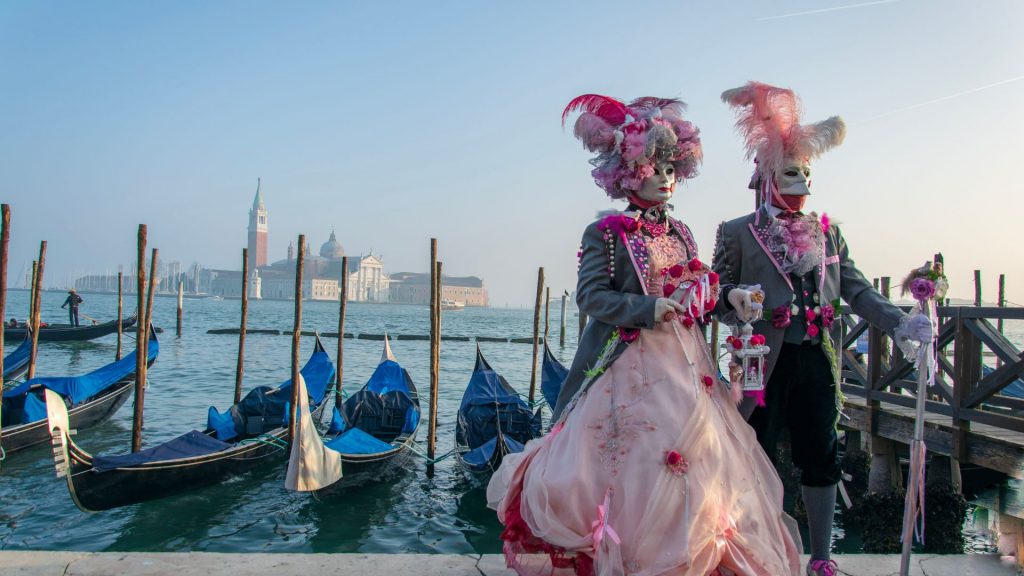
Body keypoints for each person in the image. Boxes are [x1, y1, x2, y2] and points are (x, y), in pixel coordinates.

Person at [487, 94, 802, 576]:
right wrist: (647, 308)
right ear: (627, 171)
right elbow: (591, 297)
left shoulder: (683, 233)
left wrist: (729, 300)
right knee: (634, 463)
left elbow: (699, 294)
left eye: (671, 168)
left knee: (696, 465)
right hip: (625, 364)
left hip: (687, 365)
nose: (665, 176)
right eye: (654, 167)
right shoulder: (607, 234)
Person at [712, 82, 933, 576]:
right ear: (767, 178)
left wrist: (901, 322)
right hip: (760, 361)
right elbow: (716, 301)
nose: (800, 185)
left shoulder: (826, 230)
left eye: (805, 177)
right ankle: (754, 551)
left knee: (822, 451)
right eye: (790, 176)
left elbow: (854, 288)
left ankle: (820, 557)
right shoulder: (735, 231)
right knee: (753, 453)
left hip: (815, 357)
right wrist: (738, 303)